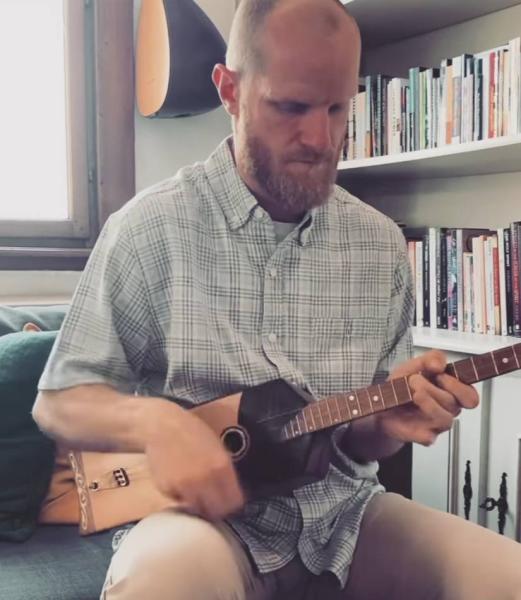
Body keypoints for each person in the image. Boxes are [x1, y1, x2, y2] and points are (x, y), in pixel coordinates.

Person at [33, 0, 521, 598]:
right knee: (164, 579)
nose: (319, 138)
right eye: (290, 106)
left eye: (337, 107)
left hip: (344, 517)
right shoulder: (148, 230)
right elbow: (60, 402)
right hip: (202, 524)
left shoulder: (381, 244)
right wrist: (154, 421)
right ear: (230, 91)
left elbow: (363, 441)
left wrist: (390, 424)